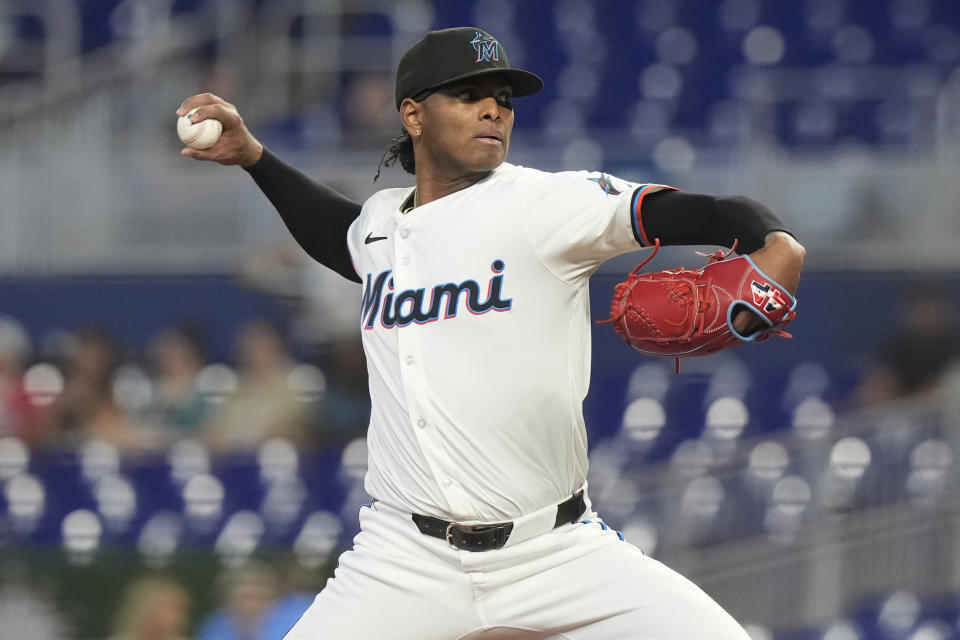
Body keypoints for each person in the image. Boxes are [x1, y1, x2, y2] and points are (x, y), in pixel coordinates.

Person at [178, 26, 805, 640]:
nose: (492, 110)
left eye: (502, 98)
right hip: (402, 559)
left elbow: (687, 211)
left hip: (554, 552)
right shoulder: (379, 226)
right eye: (467, 94)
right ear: (413, 115)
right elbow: (335, 232)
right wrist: (254, 158)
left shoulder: (545, 204)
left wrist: (772, 241)